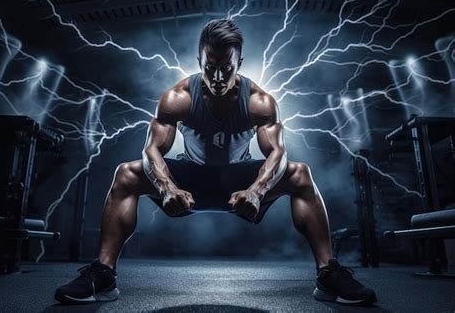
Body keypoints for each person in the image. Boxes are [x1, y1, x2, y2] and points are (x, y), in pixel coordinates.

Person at [55, 19, 377, 305]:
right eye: (210, 67)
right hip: (189, 178)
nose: (218, 76)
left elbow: (277, 153)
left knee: (300, 175)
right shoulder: (177, 97)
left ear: (240, 62)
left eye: (227, 67)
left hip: (240, 181)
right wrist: (166, 186)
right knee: (126, 173)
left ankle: (327, 274)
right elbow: (151, 149)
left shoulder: (259, 102)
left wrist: (256, 190)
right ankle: (104, 274)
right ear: (199, 60)